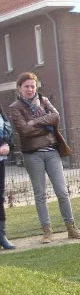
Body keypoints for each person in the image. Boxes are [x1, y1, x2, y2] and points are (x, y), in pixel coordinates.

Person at [8, 72, 80, 243]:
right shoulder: (15, 107)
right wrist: (46, 124)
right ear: (20, 88)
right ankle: (47, 231)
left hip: (51, 152)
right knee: (40, 194)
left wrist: (35, 122)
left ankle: (71, 228)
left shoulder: (43, 101)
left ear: (36, 87)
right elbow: (24, 131)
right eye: (26, 86)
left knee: (62, 192)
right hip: (32, 155)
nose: (30, 89)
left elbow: (56, 116)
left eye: (32, 86)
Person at [0, 104, 15, 250]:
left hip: (1, 161)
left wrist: (7, 145)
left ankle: (1, 235)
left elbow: (7, 134)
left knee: (0, 197)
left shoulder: (1, 114)